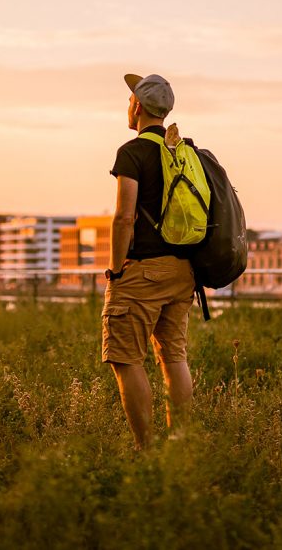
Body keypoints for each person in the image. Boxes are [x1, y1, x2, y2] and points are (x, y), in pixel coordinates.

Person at [102, 73, 197, 450]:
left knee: (125, 359)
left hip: (142, 271)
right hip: (182, 270)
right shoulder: (185, 151)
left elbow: (124, 217)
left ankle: (147, 451)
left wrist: (115, 269)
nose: (128, 106)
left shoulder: (133, 152)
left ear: (138, 107)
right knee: (173, 357)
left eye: (130, 101)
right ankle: (179, 446)